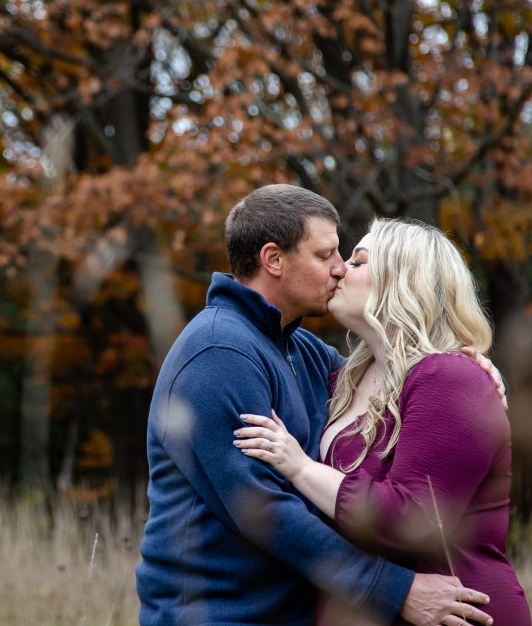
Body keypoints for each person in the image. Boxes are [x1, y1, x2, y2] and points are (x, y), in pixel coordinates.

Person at [136, 185, 498, 626]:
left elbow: (395, 380)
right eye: (325, 254)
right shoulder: (218, 352)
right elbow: (265, 509)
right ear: (274, 260)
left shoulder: (301, 351)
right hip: (222, 615)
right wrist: (394, 589)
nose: (340, 267)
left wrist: (468, 365)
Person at [234, 218, 531, 625]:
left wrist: (300, 467)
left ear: (402, 281)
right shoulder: (342, 379)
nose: (339, 269)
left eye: (357, 262)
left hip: (456, 612)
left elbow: (411, 520)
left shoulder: (450, 378)